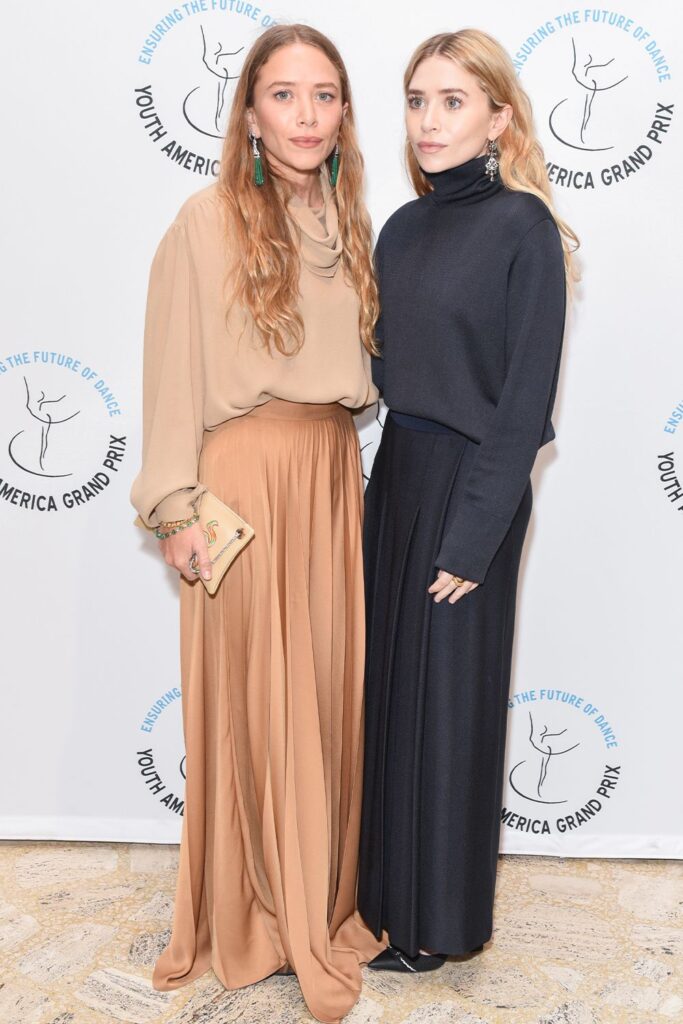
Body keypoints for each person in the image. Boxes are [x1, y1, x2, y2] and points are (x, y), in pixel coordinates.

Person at [130, 24, 386, 1024]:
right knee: (253, 703)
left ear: (343, 114)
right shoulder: (205, 222)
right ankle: (248, 914)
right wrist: (173, 508)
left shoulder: (349, 221)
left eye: (324, 95)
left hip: (328, 481)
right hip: (240, 485)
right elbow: (170, 372)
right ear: (249, 114)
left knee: (320, 702)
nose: (306, 116)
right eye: (284, 95)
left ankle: (313, 903)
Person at [357, 29, 578, 972]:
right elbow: (379, 372)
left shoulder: (523, 228)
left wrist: (473, 535)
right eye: (417, 100)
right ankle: (381, 902)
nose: (429, 120)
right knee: (391, 695)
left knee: (448, 706)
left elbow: (524, 402)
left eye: (452, 101)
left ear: (497, 118)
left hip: (472, 489)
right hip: (398, 477)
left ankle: (439, 926)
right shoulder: (401, 229)